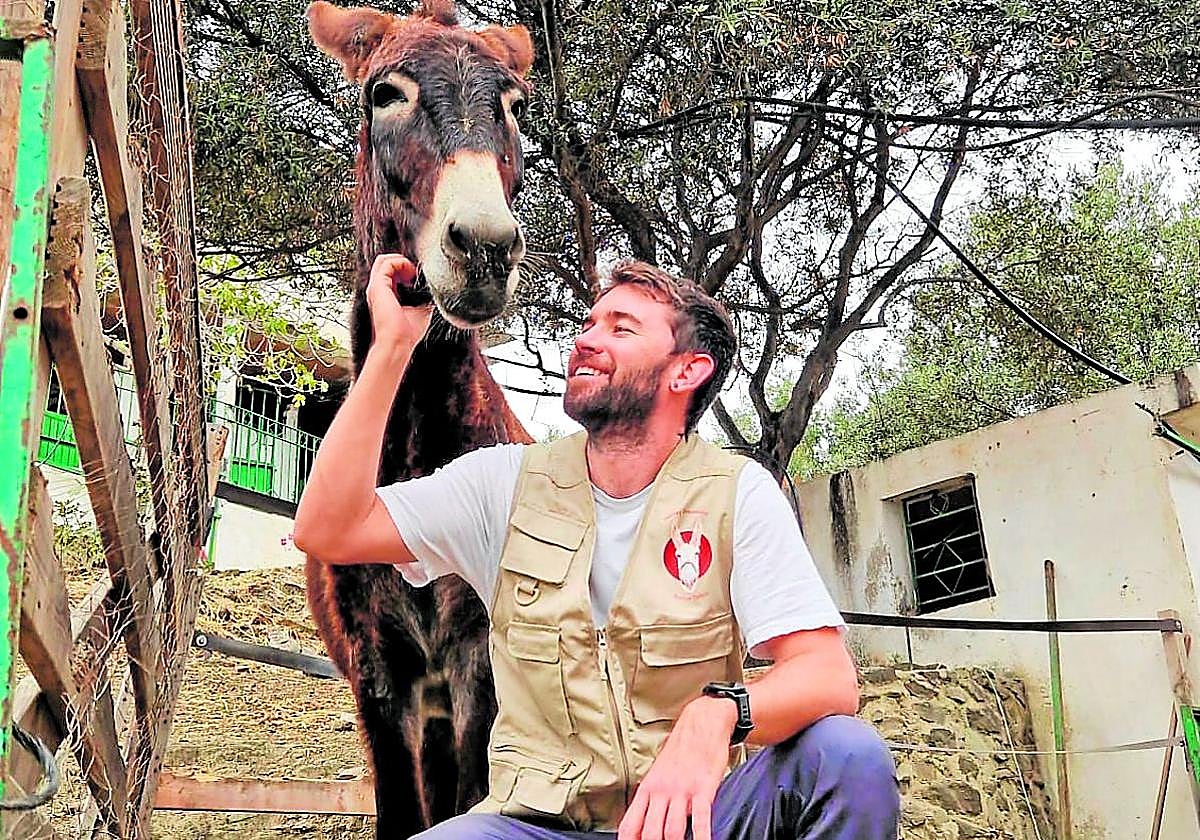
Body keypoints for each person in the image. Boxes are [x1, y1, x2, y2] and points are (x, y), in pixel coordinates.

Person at [294, 254, 900, 840]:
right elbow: (328, 529)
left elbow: (827, 677)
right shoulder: (502, 484)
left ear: (685, 371)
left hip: (696, 823)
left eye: (621, 327)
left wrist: (718, 714)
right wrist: (391, 349)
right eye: (588, 323)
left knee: (845, 757)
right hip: (537, 828)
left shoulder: (738, 495)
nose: (585, 340)